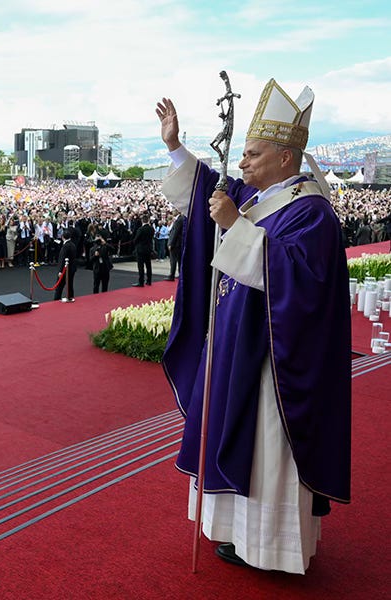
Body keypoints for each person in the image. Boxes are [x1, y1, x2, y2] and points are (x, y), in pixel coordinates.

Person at [156, 79, 351, 574]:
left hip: (273, 364)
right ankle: (239, 538)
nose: (241, 163)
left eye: (253, 153)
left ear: (286, 158)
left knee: (265, 453)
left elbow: (296, 277)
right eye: (242, 153)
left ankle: (269, 550)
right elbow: (208, 193)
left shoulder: (312, 212)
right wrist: (176, 147)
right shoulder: (262, 196)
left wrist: (235, 227)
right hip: (237, 350)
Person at [53, 228, 77, 301]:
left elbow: (62, 259)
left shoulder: (65, 246)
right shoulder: (73, 244)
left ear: (63, 237)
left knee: (59, 285)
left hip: (65, 269)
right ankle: (70, 297)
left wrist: (60, 271)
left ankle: (56, 299)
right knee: (70, 284)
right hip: (72, 268)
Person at [132, 215, 154, 287]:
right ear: (148, 220)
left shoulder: (140, 229)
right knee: (148, 265)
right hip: (148, 249)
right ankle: (149, 281)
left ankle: (141, 282)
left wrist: (135, 242)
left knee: (141, 266)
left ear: (142, 221)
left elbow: (136, 239)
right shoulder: (151, 229)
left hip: (141, 249)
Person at [166, 212, 186, 281]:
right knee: (179, 260)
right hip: (179, 243)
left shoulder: (179, 220)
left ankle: (172, 275)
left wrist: (171, 243)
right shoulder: (181, 219)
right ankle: (180, 274)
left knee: (173, 260)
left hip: (175, 244)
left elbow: (175, 233)